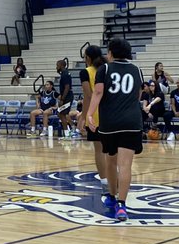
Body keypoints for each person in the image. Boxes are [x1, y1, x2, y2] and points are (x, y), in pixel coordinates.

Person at [85, 37, 145, 222]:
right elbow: (138, 94)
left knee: (110, 161)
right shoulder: (137, 70)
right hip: (132, 121)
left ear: (110, 52)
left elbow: (98, 92)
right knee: (126, 164)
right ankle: (122, 205)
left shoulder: (105, 68)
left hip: (110, 122)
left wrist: (89, 114)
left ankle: (111, 196)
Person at [78, 45, 108, 185]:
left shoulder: (86, 72)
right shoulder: (108, 68)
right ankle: (116, 178)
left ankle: (105, 182)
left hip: (95, 115)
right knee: (112, 150)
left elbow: (88, 97)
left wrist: (83, 117)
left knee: (99, 150)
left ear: (88, 58)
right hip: (112, 113)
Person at [55, 59, 78, 137]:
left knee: (61, 114)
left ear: (61, 65)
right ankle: (68, 131)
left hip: (67, 97)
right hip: (67, 97)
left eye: (57, 65)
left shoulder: (65, 74)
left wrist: (62, 99)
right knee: (60, 114)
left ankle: (69, 131)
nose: (56, 67)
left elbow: (67, 87)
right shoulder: (64, 73)